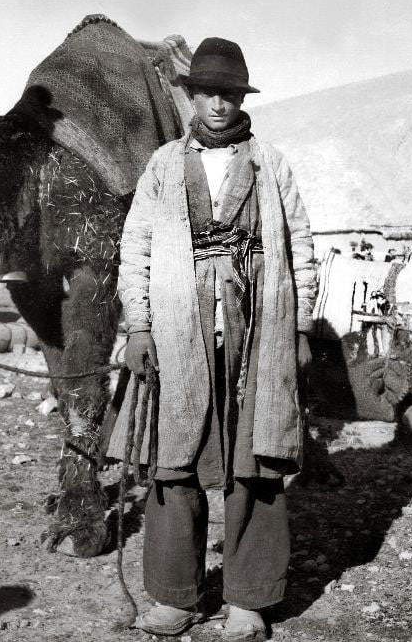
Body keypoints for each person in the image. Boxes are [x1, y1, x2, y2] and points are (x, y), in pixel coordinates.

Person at [115, 37, 317, 641]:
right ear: (192, 98)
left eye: (230, 94)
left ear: (242, 98)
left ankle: (249, 600)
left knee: (256, 458)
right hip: (180, 330)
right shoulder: (163, 165)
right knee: (174, 456)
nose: (220, 105)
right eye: (209, 94)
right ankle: (176, 597)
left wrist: (301, 325)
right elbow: (137, 248)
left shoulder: (270, 162)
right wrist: (139, 325)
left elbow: (301, 245)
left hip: (260, 330)